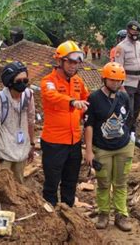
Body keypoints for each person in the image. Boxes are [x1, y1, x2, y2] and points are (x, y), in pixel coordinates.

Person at [84, 62, 133, 232]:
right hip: (102, 147)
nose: (115, 84)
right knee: (104, 182)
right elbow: (89, 125)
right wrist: (89, 150)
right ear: (104, 79)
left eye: (119, 81)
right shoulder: (94, 98)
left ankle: (121, 214)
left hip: (123, 146)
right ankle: (103, 213)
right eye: (112, 80)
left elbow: (128, 118)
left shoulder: (123, 97)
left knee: (120, 183)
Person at [40, 40, 90, 207]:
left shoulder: (78, 81)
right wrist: (72, 102)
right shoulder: (48, 81)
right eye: (70, 62)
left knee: (70, 182)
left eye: (76, 62)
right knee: (51, 183)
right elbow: (52, 96)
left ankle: (68, 212)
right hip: (54, 142)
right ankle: (50, 215)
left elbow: (87, 100)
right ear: (59, 61)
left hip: (74, 141)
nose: (73, 66)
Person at [0, 62, 36, 184]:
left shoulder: (28, 96)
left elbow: (31, 120)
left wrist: (32, 144)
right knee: (3, 187)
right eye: (19, 81)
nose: (23, 84)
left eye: (25, 80)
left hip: (21, 152)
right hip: (4, 154)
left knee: (18, 185)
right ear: (9, 82)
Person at [114, 20, 140, 148]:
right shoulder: (121, 47)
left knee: (137, 109)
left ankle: (133, 136)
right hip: (128, 81)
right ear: (128, 31)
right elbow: (118, 67)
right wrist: (121, 85)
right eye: (132, 31)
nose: (135, 34)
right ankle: (123, 136)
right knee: (128, 110)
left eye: (137, 32)